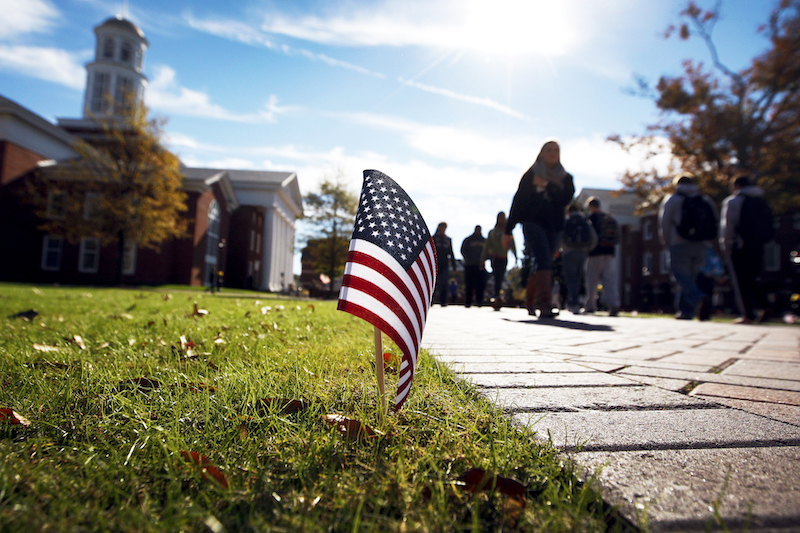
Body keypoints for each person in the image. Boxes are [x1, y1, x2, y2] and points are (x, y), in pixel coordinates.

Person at [503, 140, 575, 317]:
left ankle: (530, 300)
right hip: (532, 222)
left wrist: (545, 184)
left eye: (556, 150)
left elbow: (565, 199)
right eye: (549, 150)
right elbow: (518, 201)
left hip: (554, 225)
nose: (553, 153)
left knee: (544, 261)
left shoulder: (566, 178)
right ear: (542, 153)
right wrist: (508, 230)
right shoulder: (530, 175)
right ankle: (545, 304)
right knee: (543, 258)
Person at [658, 173, 719, 320]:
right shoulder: (705, 199)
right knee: (691, 276)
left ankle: (699, 297)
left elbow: (665, 222)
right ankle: (686, 311)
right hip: (701, 244)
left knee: (679, 275)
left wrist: (665, 241)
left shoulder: (672, 199)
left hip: (679, 242)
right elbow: (714, 220)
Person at [720, 175, 774, 324]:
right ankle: (764, 305)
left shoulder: (733, 201)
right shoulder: (761, 200)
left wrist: (725, 245)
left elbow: (728, 225)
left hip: (740, 244)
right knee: (753, 277)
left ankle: (747, 314)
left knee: (739, 280)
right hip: (758, 244)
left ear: (736, 185)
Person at [585, 197, 621, 316]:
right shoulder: (609, 217)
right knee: (609, 279)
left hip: (595, 252)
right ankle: (614, 304)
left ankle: (590, 304)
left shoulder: (592, 219)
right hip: (610, 251)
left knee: (592, 279)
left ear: (590, 206)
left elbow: (589, 237)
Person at [561, 203, 597, 314]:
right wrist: (589, 248)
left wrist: (561, 248)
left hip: (569, 252)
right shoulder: (585, 221)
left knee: (571, 278)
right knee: (579, 276)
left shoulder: (567, 220)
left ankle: (574, 302)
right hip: (583, 252)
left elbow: (561, 235)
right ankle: (577, 300)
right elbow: (594, 237)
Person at [481, 212, 517, 308]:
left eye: (503, 217)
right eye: (500, 217)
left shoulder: (508, 232)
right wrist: (483, 259)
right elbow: (487, 246)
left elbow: (512, 244)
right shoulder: (493, 232)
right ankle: (496, 296)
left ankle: (499, 295)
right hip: (495, 257)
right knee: (497, 277)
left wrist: (516, 256)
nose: (502, 219)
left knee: (501, 277)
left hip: (504, 257)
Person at [461, 225, 487, 307]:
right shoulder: (468, 240)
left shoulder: (484, 240)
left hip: (480, 266)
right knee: (469, 284)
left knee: (480, 284)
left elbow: (488, 251)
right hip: (469, 265)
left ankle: (479, 301)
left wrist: (485, 259)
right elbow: (463, 250)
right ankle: (468, 301)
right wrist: (468, 259)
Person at [433, 222, 456, 306]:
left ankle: (443, 301)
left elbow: (451, 252)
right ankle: (431, 300)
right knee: (434, 283)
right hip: (435, 263)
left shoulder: (448, 239)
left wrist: (454, 266)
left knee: (444, 282)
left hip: (445, 264)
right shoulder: (434, 238)